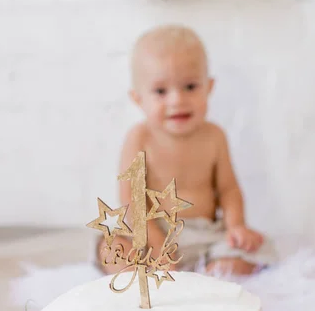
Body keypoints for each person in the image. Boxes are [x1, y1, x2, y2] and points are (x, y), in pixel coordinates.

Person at [98, 25, 276, 276]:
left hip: (205, 235)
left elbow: (229, 189)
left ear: (209, 87)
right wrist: (159, 247)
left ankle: (213, 272)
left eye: (190, 87)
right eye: (161, 91)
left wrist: (236, 226)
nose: (177, 100)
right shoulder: (140, 138)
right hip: (151, 231)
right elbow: (131, 204)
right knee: (110, 245)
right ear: (138, 99)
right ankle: (143, 275)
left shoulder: (214, 135)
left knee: (256, 248)